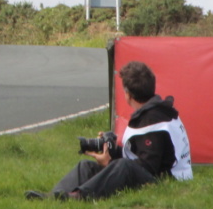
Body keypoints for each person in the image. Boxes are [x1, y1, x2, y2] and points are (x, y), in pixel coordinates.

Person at [25, 60, 192, 201]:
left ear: (128, 94)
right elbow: (141, 154)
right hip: (153, 171)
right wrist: (112, 150)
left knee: (123, 166)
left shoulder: (153, 121)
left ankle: (78, 196)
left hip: (167, 179)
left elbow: (148, 168)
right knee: (85, 166)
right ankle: (53, 197)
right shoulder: (154, 111)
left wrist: (110, 163)